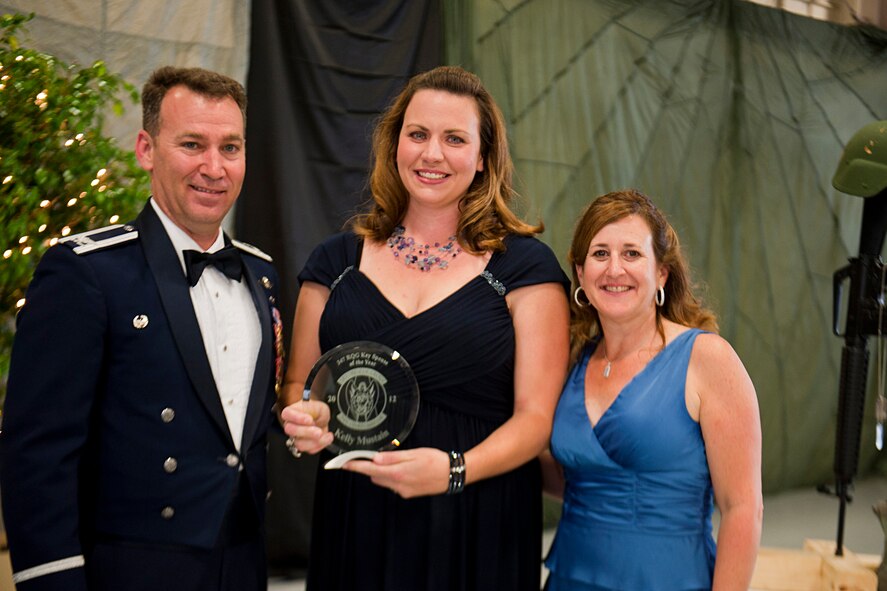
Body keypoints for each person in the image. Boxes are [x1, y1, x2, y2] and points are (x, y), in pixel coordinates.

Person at [278, 65, 570, 590]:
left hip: (479, 518)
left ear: (482, 159)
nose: (432, 153)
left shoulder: (525, 269)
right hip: (357, 519)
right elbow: (300, 388)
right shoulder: (334, 262)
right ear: (395, 146)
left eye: (454, 138)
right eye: (418, 134)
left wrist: (456, 470)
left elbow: (536, 419)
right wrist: (303, 421)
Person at [0, 66, 282, 591]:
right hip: (132, 568)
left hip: (241, 561)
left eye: (231, 148)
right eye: (192, 144)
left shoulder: (260, 273)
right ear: (146, 149)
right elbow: (38, 454)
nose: (213, 168)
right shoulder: (85, 272)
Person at [541, 189, 763, 590]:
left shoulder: (706, 358)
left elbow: (742, 509)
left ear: (662, 272)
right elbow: (575, 477)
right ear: (579, 273)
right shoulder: (573, 361)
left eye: (631, 253)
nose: (614, 269)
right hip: (571, 576)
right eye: (600, 254)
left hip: (669, 578)